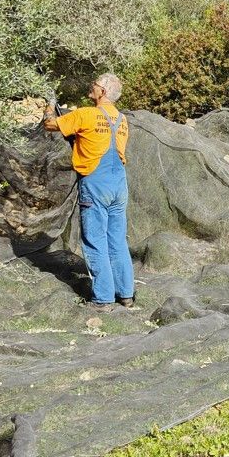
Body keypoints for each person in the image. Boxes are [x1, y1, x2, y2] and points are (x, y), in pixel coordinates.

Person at [43, 73, 135, 312]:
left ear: (102, 91)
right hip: (119, 185)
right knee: (117, 240)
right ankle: (126, 294)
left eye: (94, 85)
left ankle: (103, 299)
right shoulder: (122, 119)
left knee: (94, 241)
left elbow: (50, 125)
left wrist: (50, 108)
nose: (90, 87)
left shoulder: (86, 114)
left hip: (95, 183)